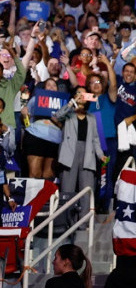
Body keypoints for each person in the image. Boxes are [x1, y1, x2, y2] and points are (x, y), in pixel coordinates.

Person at [53, 88, 105, 222]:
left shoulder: (91, 117)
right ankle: (66, 222)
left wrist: (100, 155)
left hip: (87, 153)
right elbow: (57, 116)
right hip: (69, 153)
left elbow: (95, 139)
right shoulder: (68, 114)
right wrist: (72, 103)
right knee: (67, 190)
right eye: (78, 93)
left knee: (87, 190)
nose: (81, 96)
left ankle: (84, 222)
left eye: (84, 94)